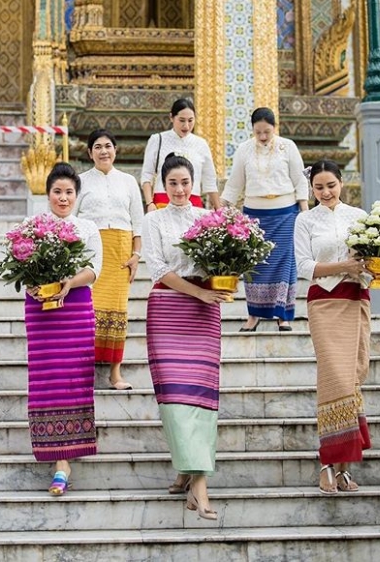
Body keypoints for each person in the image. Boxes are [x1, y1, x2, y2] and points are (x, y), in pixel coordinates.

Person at [142, 152, 231, 520]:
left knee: (201, 398)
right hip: (168, 309)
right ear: (163, 186)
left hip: (204, 313)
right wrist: (199, 293)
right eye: (172, 183)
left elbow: (225, 262)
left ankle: (190, 474)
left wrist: (224, 281)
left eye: (185, 182)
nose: (179, 189)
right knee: (176, 400)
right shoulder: (153, 220)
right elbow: (159, 269)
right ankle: (198, 484)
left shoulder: (207, 219)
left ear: (194, 184)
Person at [25, 162, 103, 495]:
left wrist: (69, 282)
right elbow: (22, 265)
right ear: (48, 194)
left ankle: (64, 462)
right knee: (47, 380)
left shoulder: (87, 228)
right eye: (57, 191)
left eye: (69, 192)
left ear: (77, 195)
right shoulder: (33, 226)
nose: (63, 197)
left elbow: (94, 268)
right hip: (42, 311)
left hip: (75, 306)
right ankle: (54, 452)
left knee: (73, 379)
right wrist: (32, 284)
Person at [294, 159, 371, 494]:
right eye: (318, 187)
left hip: (357, 299)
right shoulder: (304, 220)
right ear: (311, 189)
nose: (325, 192)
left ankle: (343, 470)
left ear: (342, 183)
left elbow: (370, 264)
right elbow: (304, 266)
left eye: (331, 185)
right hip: (323, 303)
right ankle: (326, 461)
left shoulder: (360, 217)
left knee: (354, 376)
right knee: (333, 378)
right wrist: (344, 265)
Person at [221, 107, 308, 332]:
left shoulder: (288, 147)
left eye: (267, 132)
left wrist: (305, 211)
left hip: (286, 214)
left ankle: (283, 315)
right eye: (258, 132)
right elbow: (235, 183)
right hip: (255, 216)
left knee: (284, 266)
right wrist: (222, 209)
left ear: (274, 128)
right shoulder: (244, 150)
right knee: (255, 266)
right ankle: (254, 315)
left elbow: (299, 180)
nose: (262, 137)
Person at [74, 129, 143, 390]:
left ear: (116, 150)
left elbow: (138, 222)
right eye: (98, 147)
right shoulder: (80, 181)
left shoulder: (128, 181)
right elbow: (72, 217)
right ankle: (84, 373)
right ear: (90, 153)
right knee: (87, 312)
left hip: (120, 254)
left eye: (108, 146)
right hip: (90, 250)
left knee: (117, 312)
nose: (104, 151)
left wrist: (136, 255)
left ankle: (116, 373)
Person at [141, 97, 220, 211]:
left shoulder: (201, 144)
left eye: (190, 120)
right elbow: (146, 175)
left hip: (193, 204)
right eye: (182, 120)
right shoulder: (157, 140)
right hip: (163, 203)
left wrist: (219, 210)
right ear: (171, 118)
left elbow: (209, 181)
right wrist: (149, 203)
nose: (186, 126)